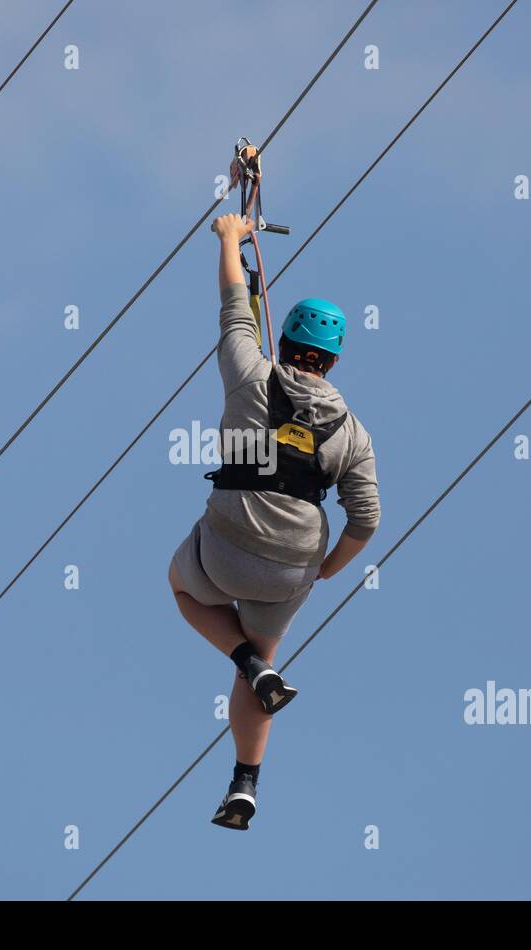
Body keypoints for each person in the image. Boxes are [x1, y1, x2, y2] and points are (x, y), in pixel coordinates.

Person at [168, 212, 381, 830]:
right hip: (291, 568)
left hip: (226, 548)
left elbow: (236, 307)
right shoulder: (353, 434)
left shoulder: (250, 375)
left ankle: (249, 664)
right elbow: (365, 520)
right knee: (265, 646)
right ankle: (245, 782)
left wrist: (230, 237)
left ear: (282, 344)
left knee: (182, 587)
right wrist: (324, 572)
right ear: (333, 363)